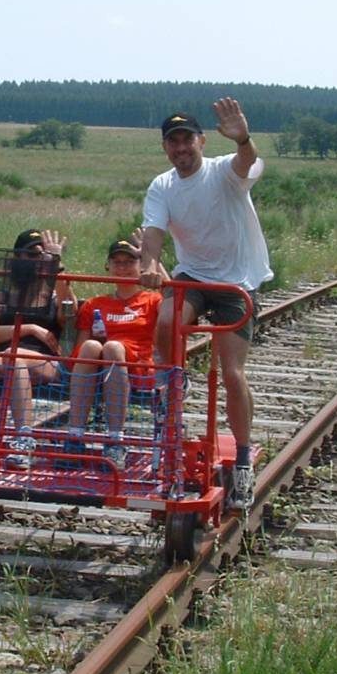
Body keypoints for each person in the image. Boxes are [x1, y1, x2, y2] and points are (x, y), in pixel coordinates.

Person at [139, 101, 273, 510]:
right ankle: (171, 380)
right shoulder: (162, 185)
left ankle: (245, 461)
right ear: (165, 148)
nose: (181, 148)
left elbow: (247, 162)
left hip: (236, 281)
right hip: (194, 274)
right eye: (173, 142)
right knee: (166, 318)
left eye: (187, 140)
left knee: (232, 372)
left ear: (200, 141)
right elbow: (154, 232)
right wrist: (148, 264)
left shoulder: (223, 171)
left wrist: (243, 138)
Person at [0, 228, 74, 466]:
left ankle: (24, 438)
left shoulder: (55, 294)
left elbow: (69, 318)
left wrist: (56, 266)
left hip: (45, 362)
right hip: (7, 359)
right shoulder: (2, 297)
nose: (38, 260)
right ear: (18, 259)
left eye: (43, 255)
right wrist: (30, 328)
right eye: (32, 254)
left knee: (14, 355)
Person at [64, 234, 162, 467]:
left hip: (137, 365)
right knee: (91, 346)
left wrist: (153, 259)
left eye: (130, 262)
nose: (123, 268)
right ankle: (75, 436)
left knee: (113, 347)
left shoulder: (152, 300)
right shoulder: (95, 304)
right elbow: (81, 345)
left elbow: (174, 299)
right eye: (117, 262)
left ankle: (115, 440)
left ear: (140, 265)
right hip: (99, 366)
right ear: (108, 267)